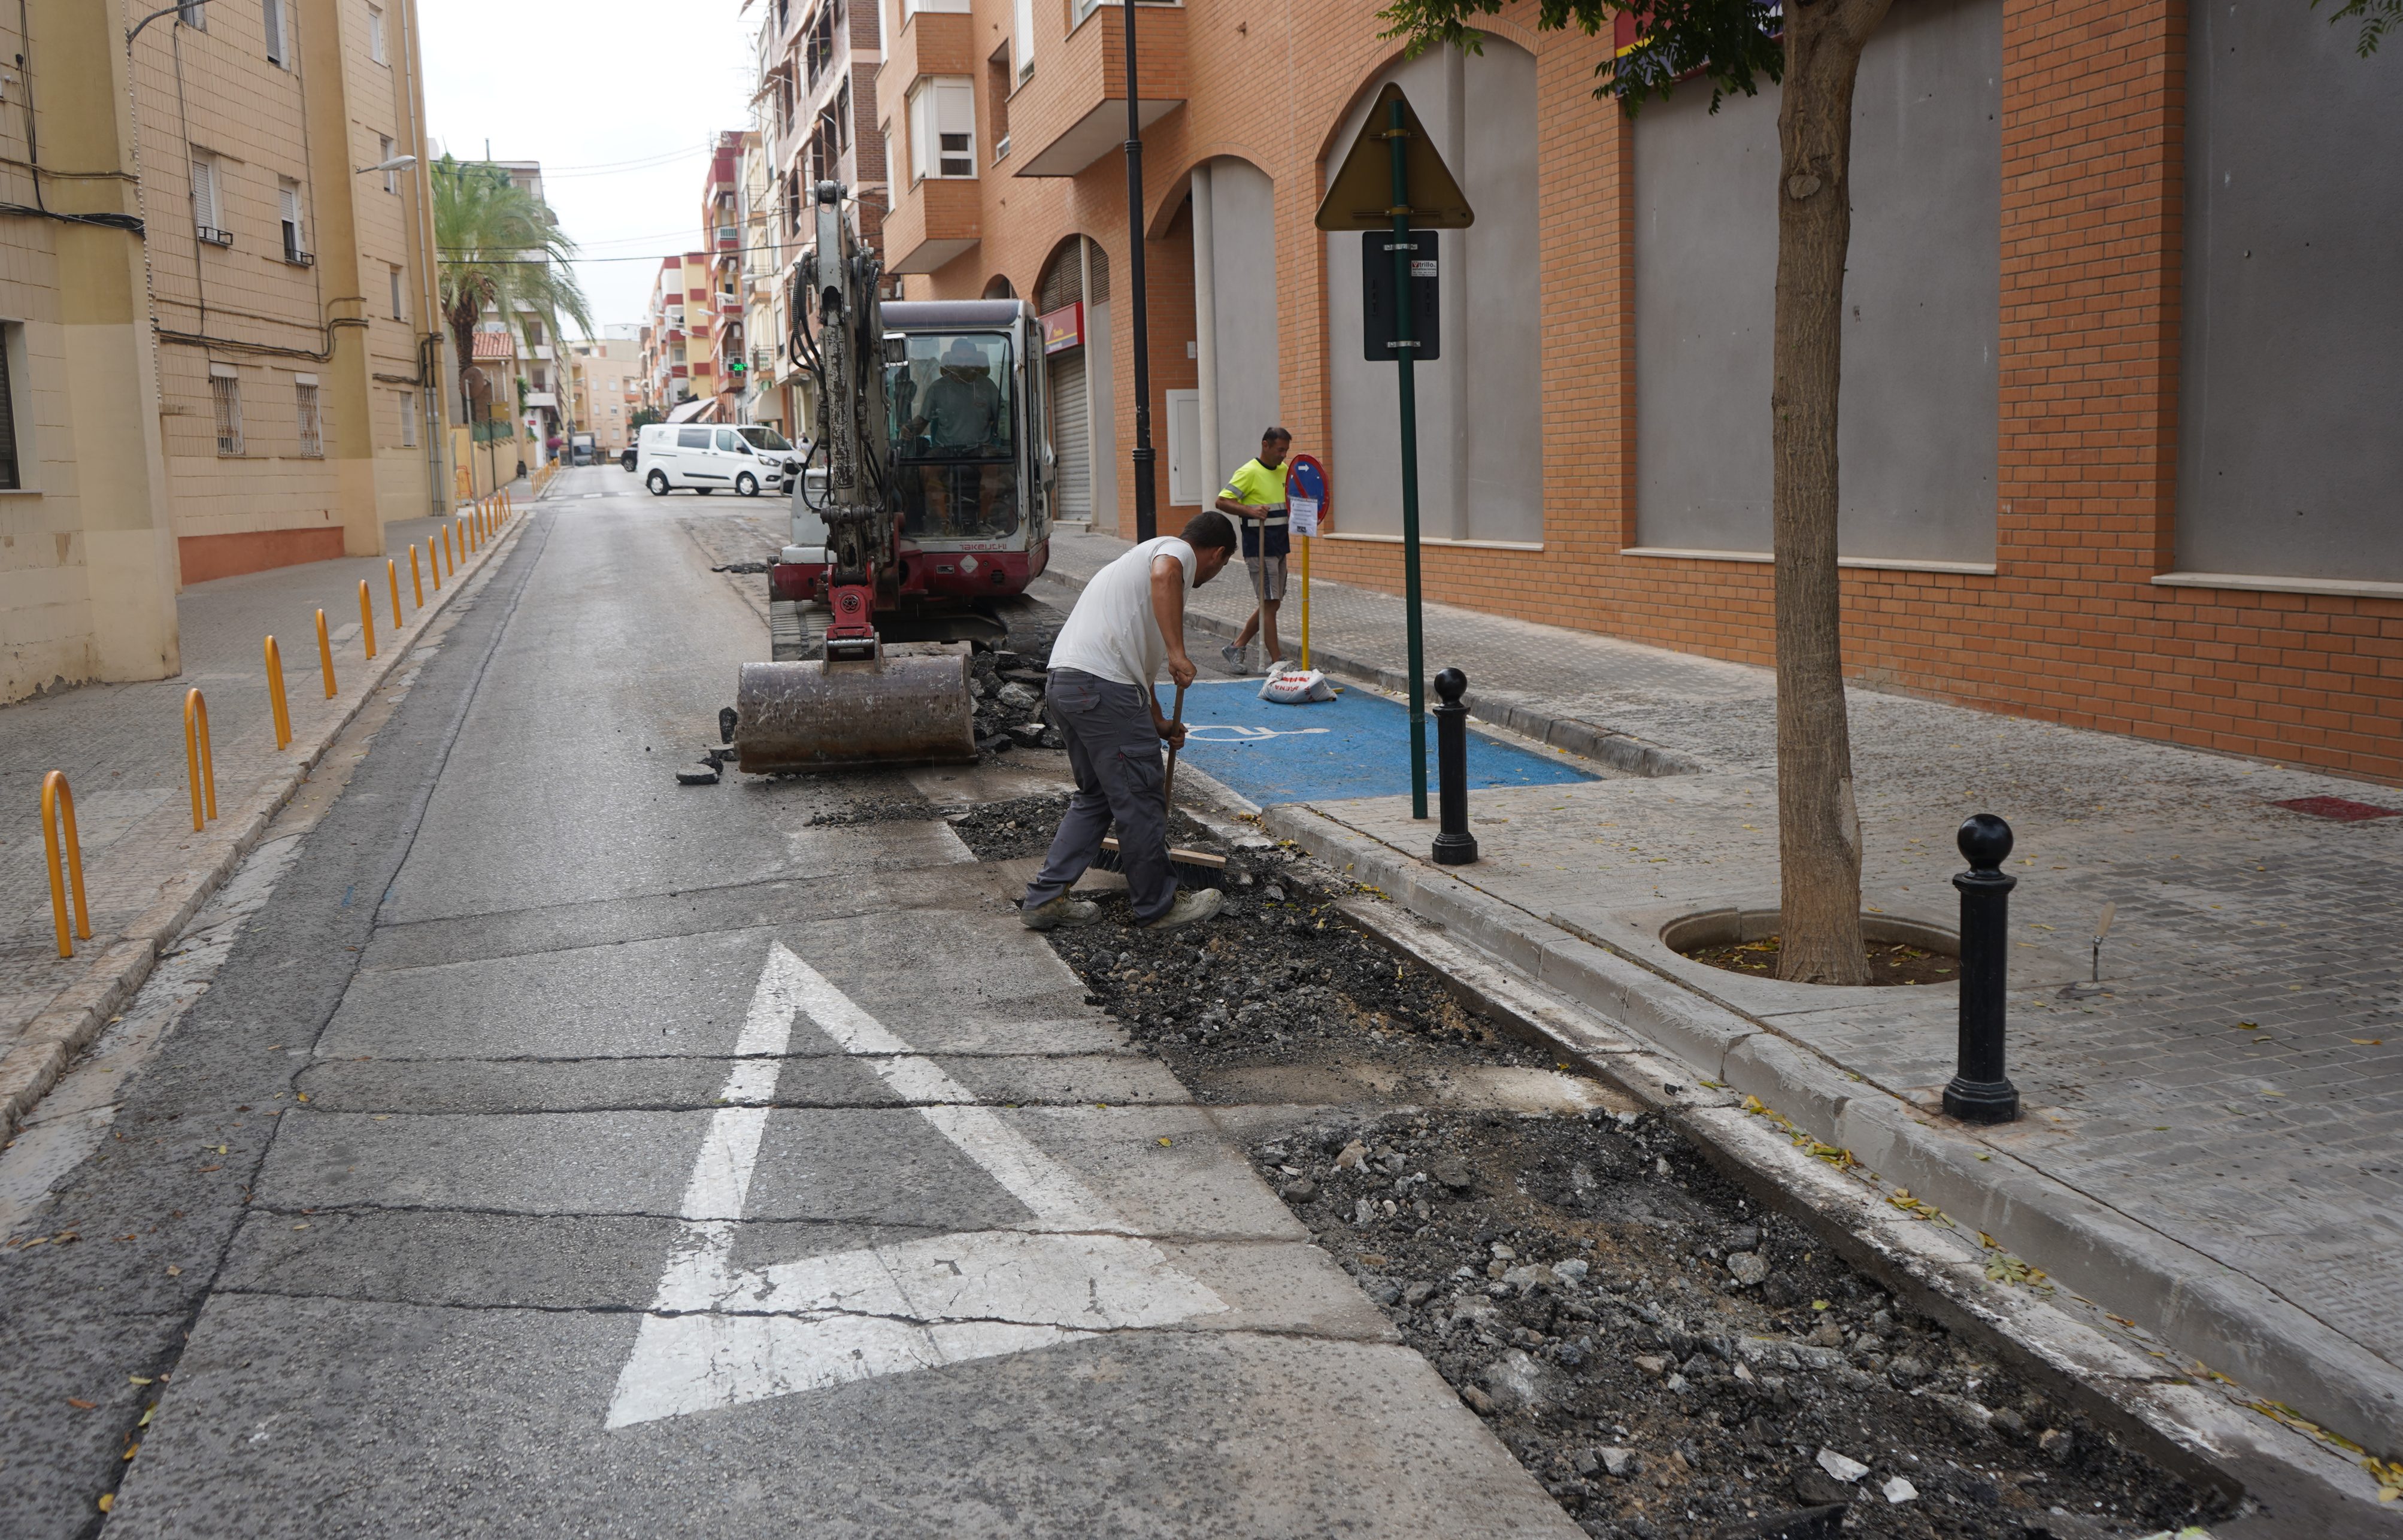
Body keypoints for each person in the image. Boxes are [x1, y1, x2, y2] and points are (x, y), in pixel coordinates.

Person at [1021, 511, 1240, 933]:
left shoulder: (1133, 570)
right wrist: (1178, 652)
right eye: (1223, 564)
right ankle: (1157, 907)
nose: (1216, 571)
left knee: (1097, 797)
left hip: (1068, 683)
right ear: (1216, 554)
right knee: (1140, 800)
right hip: (1103, 690)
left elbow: (1135, 665)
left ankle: (1044, 900)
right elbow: (1167, 574)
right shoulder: (1172, 553)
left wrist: (1157, 721)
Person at [905, 338, 1011, 534]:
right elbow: (922, 420)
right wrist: (908, 430)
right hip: (946, 450)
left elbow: (1003, 420)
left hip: (979, 449)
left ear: (975, 360)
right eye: (959, 358)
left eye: (968, 357)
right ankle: (945, 523)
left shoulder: (987, 387)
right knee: (926, 469)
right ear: (951, 360)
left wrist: (1003, 442)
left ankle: (985, 522)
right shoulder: (937, 388)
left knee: (995, 469)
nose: (964, 362)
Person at [1213, 427, 1293, 675]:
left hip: (1280, 545)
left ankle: (1236, 646)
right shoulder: (1249, 472)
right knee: (1269, 602)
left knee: (1272, 604)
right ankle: (1276, 659)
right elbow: (1222, 501)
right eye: (1280, 450)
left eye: (1286, 451)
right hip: (1260, 547)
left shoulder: (1285, 471)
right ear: (1265, 445)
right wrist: (1251, 511)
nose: (1283, 455)